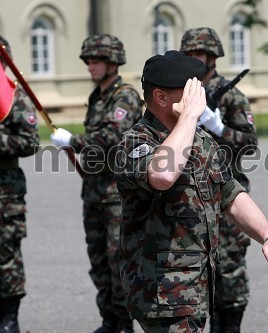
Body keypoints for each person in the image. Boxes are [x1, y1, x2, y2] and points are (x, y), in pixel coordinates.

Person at [115, 50, 268, 333]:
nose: (200, 99)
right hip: (161, 291)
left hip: (196, 288)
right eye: (191, 92)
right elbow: (162, 174)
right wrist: (189, 118)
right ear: (160, 97)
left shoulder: (201, 141)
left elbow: (232, 194)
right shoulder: (135, 142)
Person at [50, 34, 143, 333]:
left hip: (117, 194)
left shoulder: (125, 96)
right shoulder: (98, 97)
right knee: (99, 261)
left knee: (119, 263)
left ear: (112, 62)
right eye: (88, 61)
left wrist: (72, 140)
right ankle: (109, 321)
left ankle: (124, 324)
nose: (90, 66)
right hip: (93, 192)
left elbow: (112, 138)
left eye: (96, 61)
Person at [179, 27, 258, 332]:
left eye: (198, 54)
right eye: (188, 55)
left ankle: (230, 327)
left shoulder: (232, 95)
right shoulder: (182, 95)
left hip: (226, 194)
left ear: (212, 57)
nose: (193, 60)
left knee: (228, 269)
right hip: (189, 197)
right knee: (195, 269)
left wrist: (219, 126)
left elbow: (250, 143)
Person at [0, 35, 40, 333]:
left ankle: (9, 319)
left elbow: (30, 142)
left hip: (5, 190)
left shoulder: (14, 96)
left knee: (6, 255)